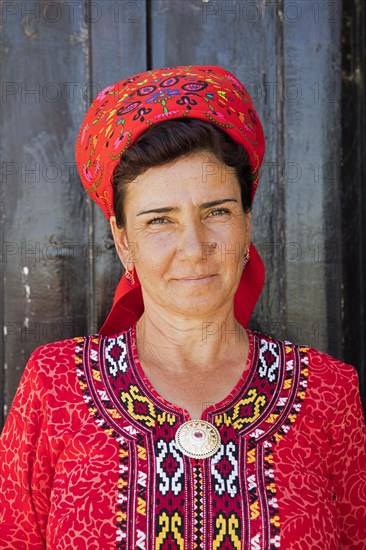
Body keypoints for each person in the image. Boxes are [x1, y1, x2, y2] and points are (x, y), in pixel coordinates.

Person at [0, 65, 365, 549]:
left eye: (217, 211)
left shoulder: (328, 393)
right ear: (123, 238)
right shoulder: (54, 386)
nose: (194, 247)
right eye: (159, 220)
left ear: (246, 222)